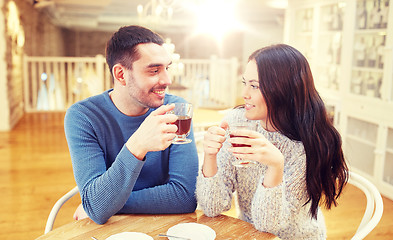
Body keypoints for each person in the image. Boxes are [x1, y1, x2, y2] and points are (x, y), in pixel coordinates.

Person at [196, 44, 348, 239]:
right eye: (245, 83)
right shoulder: (238, 122)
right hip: (250, 235)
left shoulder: (306, 145)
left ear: (283, 90)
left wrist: (275, 166)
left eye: (255, 86)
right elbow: (211, 207)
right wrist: (210, 156)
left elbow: (268, 225)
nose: (244, 94)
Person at [64, 25, 198, 224]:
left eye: (166, 68)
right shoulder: (83, 117)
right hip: (110, 231)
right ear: (120, 75)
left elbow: (186, 196)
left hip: (163, 227)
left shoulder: (176, 110)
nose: (167, 80)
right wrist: (138, 145)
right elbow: (98, 208)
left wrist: (107, 202)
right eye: (154, 70)